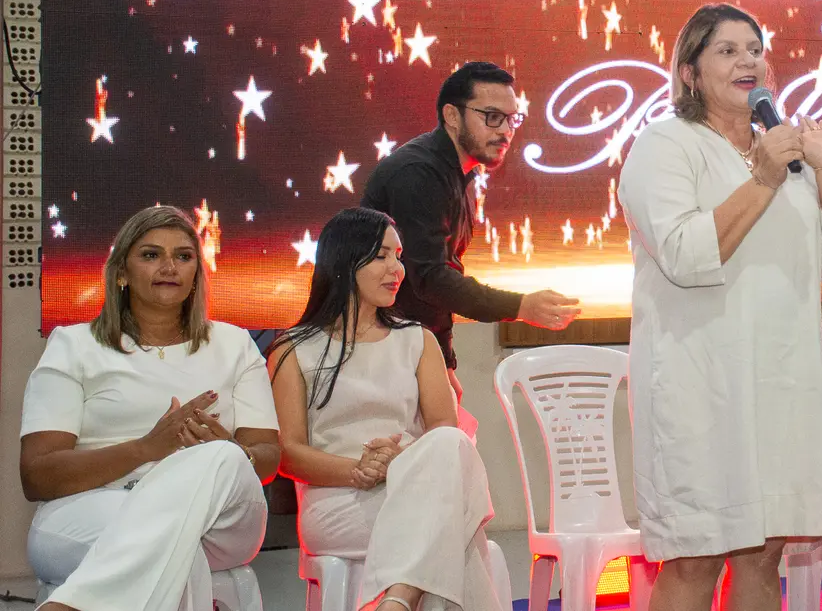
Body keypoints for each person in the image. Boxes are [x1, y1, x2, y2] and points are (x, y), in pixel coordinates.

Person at [618, 3, 822, 611]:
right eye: (727, 51)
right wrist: (763, 178)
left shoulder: (782, 155)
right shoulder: (663, 146)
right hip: (699, 386)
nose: (747, 61)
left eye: (754, 49)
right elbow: (684, 254)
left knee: (763, 555)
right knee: (695, 557)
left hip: (780, 385)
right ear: (690, 73)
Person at [19, 205, 280, 611]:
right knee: (176, 552)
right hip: (92, 505)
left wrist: (229, 451)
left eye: (183, 256)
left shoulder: (234, 344)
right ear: (121, 272)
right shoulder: (74, 345)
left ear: (197, 273)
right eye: (151, 254)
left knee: (225, 457)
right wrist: (146, 449)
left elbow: (267, 459)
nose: (169, 267)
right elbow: (37, 476)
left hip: (220, 519)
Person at [269, 207, 500, 611]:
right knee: (454, 525)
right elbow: (287, 453)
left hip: (412, 485)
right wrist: (359, 470)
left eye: (399, 256)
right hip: (339, 501)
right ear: (343, 261)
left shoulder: (418, 340)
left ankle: (397, 600)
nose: (397, 269)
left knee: (451, 443)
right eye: (381, 256)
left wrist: (398, 461)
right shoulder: (293, 348)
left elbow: (443, 430)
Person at [362, 60, 580, 392]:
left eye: (511, 119)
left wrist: (443, 361)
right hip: (379, 353)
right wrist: (520, 306)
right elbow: (430, 280)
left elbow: (440, 278)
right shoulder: (418, 174)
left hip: (406, 347)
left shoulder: (458, 174)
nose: (505, 130)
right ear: (452, 115)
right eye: (492, 117)